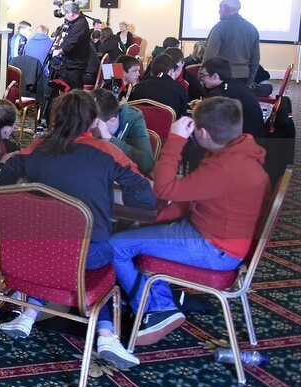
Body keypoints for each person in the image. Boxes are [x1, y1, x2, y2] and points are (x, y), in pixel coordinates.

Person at [0, 90, 156, 368]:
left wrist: (31, 190)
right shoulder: (107, 152)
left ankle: (28, 316)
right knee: (96, 257)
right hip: (87, 256)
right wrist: (109, 194)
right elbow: (145, 197)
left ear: (56, 118)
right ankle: (106, 334)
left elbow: (2, 179)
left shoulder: (36, 147)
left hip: (29, 254)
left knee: (59, 250)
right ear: (93, 121)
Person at [109, 96, 270, 346]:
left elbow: (164, 189)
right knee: (135, 233)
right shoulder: (238, 152)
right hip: (212, 234)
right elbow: (193, 200)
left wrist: (175, 140)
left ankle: (157, 308)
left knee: (115, 246)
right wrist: (155, 221)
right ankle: (159, 303)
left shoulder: (227, 167)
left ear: (203, 132)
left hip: (215, 248)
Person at [198, 56, 265, 142]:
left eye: (203, 75)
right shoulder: (236, 84)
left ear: (214, 76)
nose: (202, 79)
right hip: (257, 135)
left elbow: (210, 122)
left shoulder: (219, 94)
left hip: (245, 142)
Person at [91, 88, 154, 175]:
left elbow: (147, 164)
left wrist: (109, 138)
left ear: (112, 121)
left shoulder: (134, 120)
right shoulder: (87, 118)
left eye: (95, 123)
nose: (89, 127)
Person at [202, 0, 260, 84]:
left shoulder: (219, 27)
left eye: (220, 8)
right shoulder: (252, 29)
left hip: (222, 77)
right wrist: (250, 80)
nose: (219, 11)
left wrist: (202, 76)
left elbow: (209, 56)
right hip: (244, 76)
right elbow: (255, 59)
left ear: (225, 8)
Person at [129, 53, 189, 117]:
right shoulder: (181, 90)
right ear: (171, 71)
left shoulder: (137, 88)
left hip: (140, 125)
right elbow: (182, 116)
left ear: (151, 72)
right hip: (168, 126)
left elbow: (129, 111)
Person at [50, 1, 92, 89]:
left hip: (75, 64)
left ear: (71, 13)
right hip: (72, 63)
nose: (64, 17)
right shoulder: (79, 19)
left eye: (65, 14)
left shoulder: (79, 25)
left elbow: (70, 45)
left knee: (74, 91)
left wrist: (58, 51)